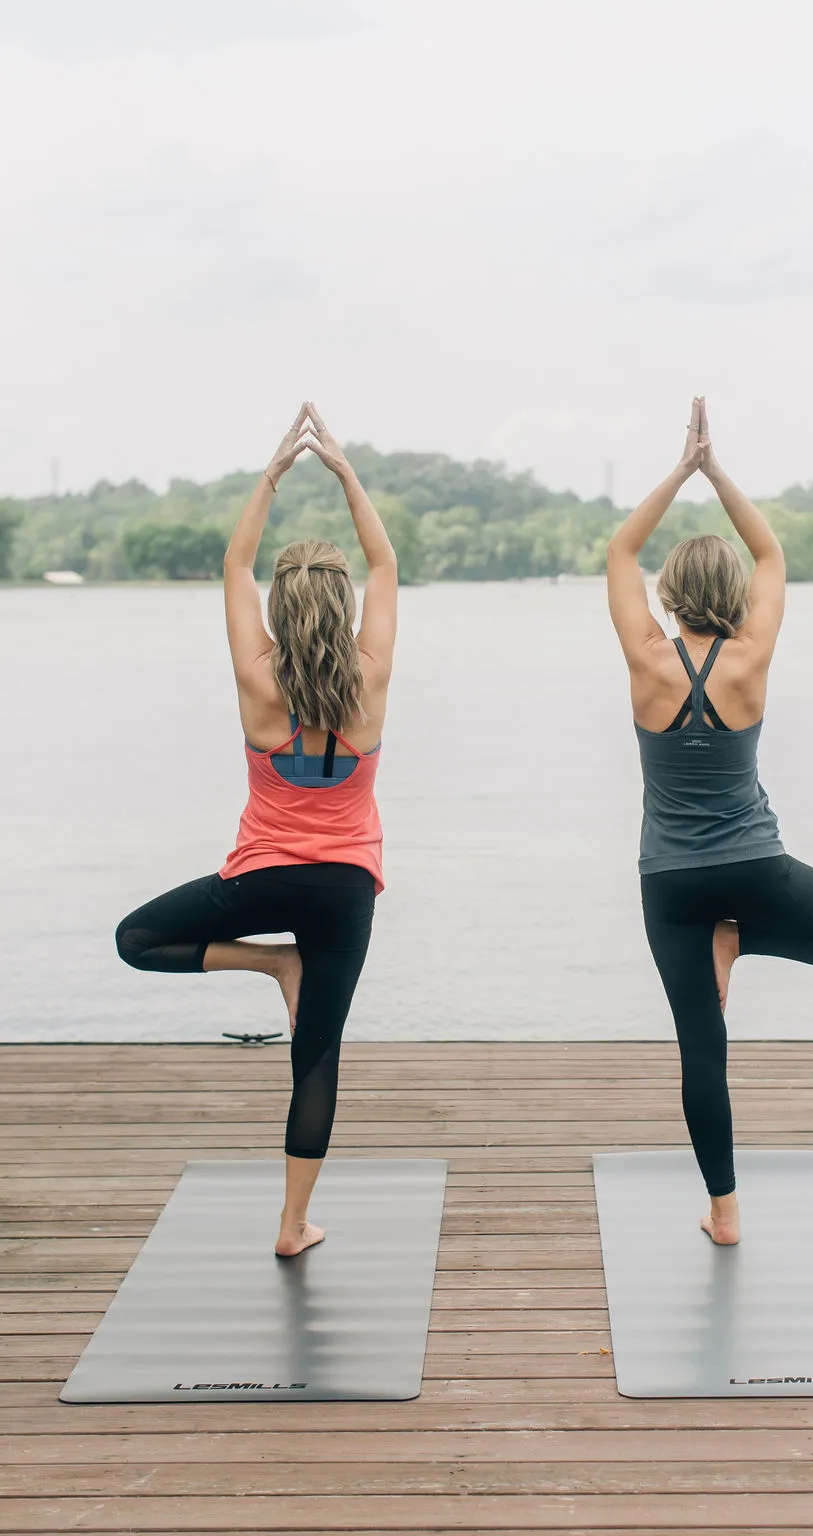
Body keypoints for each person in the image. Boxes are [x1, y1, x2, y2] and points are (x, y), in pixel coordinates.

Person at [605, 396, 813, 1246]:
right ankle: (749, 937)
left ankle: (724, 1214)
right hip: (754, 868)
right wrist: (716, 470)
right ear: (731, 594)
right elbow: (770, 548)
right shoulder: (751, 657)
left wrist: (678, 470)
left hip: (669, 885)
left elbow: (620, 548)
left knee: (702, 1045)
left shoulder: (646, 659)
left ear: (669, 596)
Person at [115, 401, 398, 1258]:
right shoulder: (371, 678)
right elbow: (386, 563)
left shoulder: (255, 677)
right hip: (347, 888)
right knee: (316, 1056)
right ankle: (291, 1226)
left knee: (136, 938)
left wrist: (275, 473)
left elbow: (236, 561)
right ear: (341, 601)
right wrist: (347, 475)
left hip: (262, 877)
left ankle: (272, 962)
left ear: (282, 605)